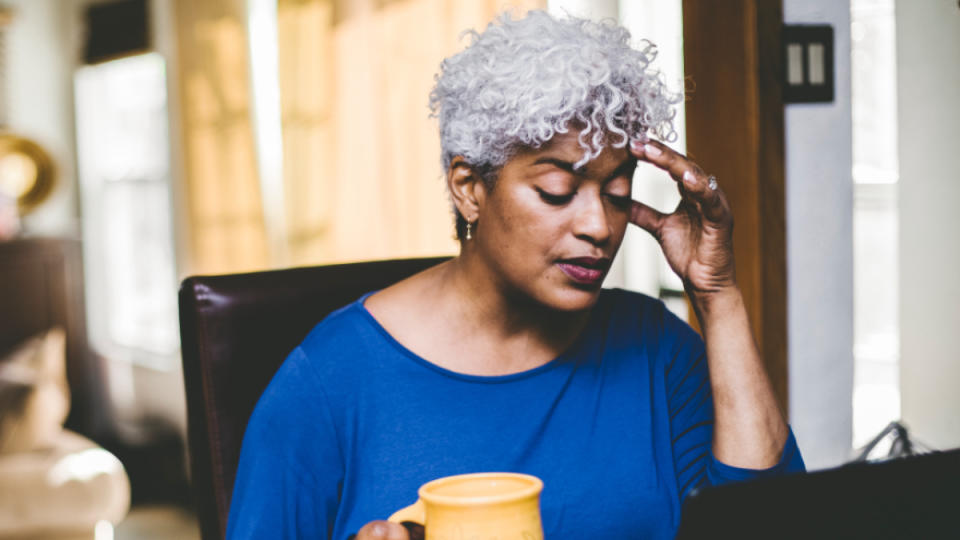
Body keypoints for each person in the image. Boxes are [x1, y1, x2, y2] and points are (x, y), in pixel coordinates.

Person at [227, 10, 805, 540]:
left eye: (617, 190)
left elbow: (769, 525)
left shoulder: (656, 349)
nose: (599, 225)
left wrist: (718, 294)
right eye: (557, 191)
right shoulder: (328, 383)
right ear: (469, 188)